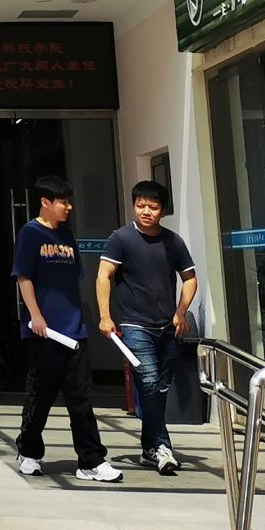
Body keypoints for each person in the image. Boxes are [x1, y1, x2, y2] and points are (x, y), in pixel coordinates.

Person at [12, 175, 120, 482]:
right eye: (63, 202)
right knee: (40, 396)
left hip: (75, 332)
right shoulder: (30, 233)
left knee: (81, 400)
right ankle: (29, 452)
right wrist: (36, 316)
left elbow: (74, 281)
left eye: (69, 201)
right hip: (44, 332)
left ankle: (91, 461)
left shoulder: (68, 236)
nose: (69, 207)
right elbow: (23, 278)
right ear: (45, 202)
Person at [96, 179, 198, 476]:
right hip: (133, 324)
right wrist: (105, 316)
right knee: (149, 381)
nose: (145, 211)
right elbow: (104, 276)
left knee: (160, 388)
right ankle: (162, 446)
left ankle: (148, 449)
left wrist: (181, 311)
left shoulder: (173, 242)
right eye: (140, 205)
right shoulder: (121, 238)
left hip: (167, 326)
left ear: (162, 210)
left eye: (152, 207)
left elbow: (190, 278)